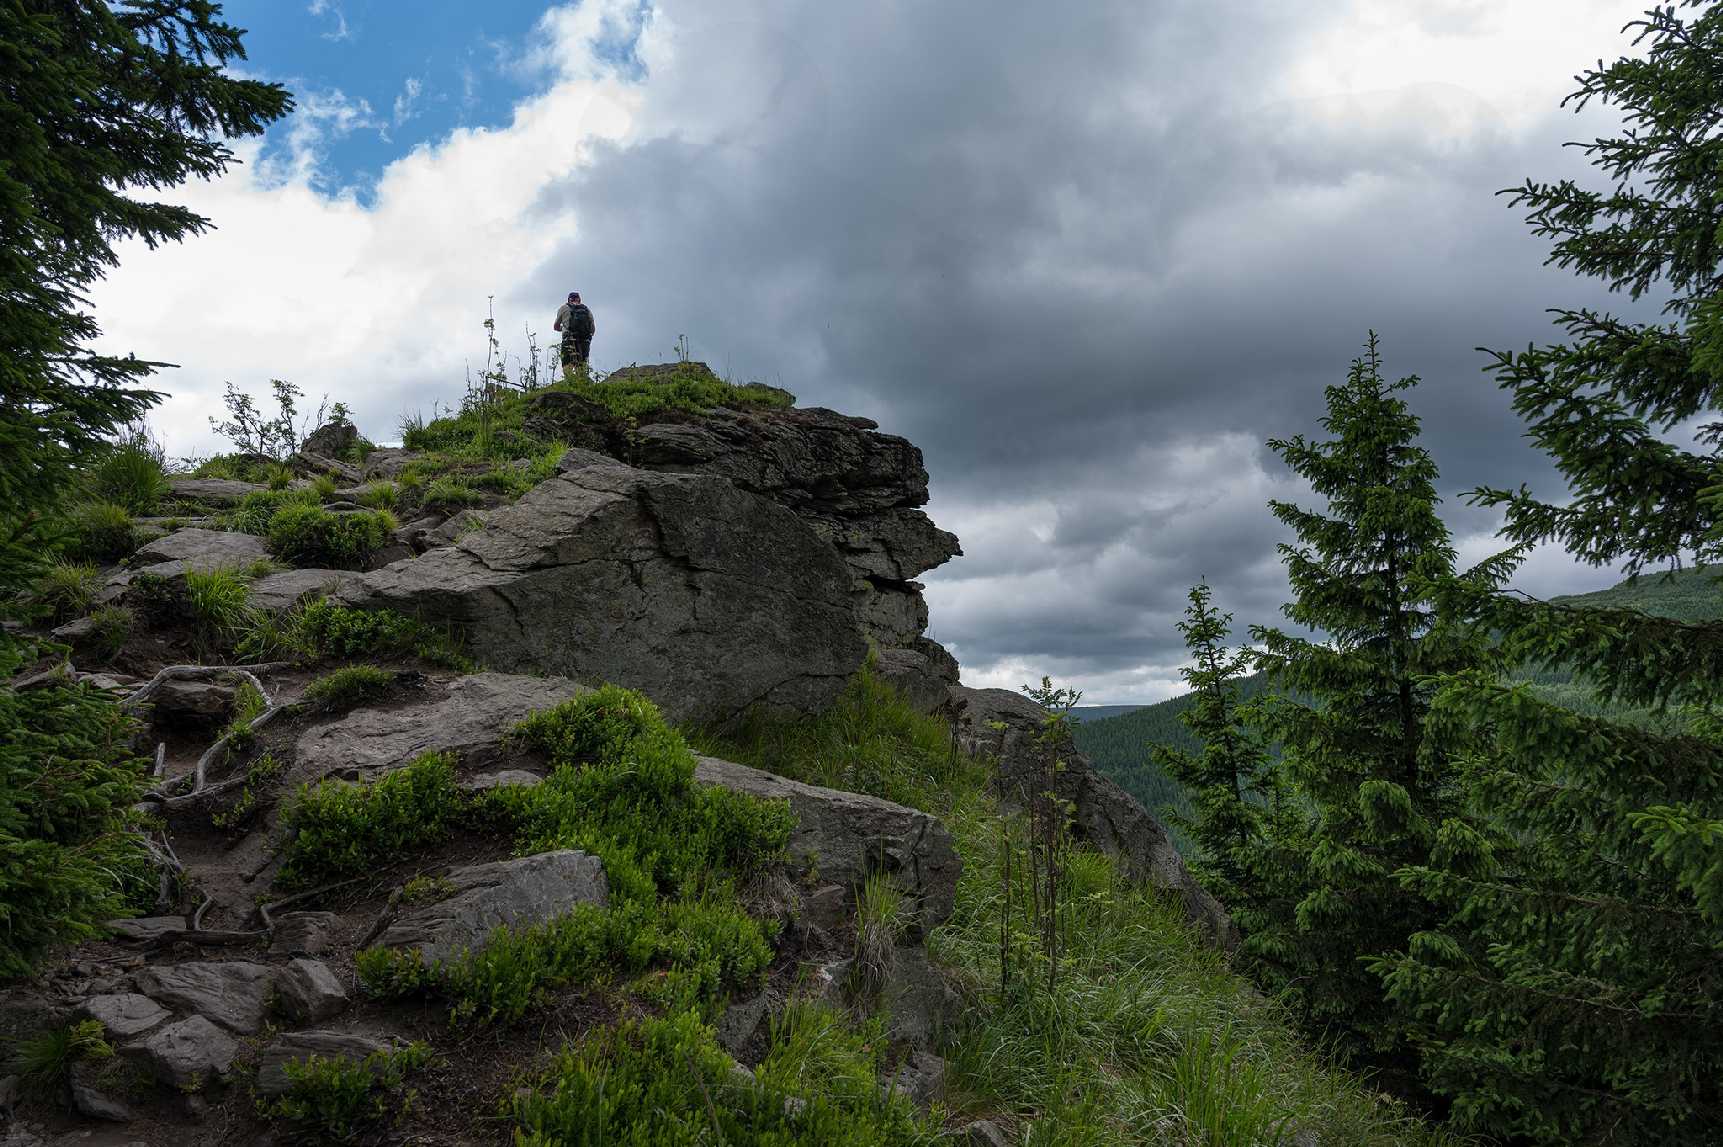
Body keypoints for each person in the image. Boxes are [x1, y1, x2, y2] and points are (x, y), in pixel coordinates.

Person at [553, 291, 595, 371]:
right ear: (579, 300)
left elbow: (555, 326)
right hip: (584, 341)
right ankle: (581, 381)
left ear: (569, 300)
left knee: (567, 364)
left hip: (569, 339)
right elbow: (592, 330)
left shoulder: (563, 308)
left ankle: (570, 382)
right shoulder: (587, 310)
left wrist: (563, 328)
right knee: (581, 365)